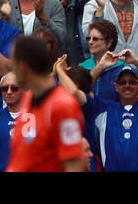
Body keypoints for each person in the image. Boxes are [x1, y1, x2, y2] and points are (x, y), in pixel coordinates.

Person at [6, 35, 88, 172]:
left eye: (13, 63)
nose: (11, 68)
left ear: (22, 67)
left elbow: (74, 166)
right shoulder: (28, 98)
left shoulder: (63, 106)